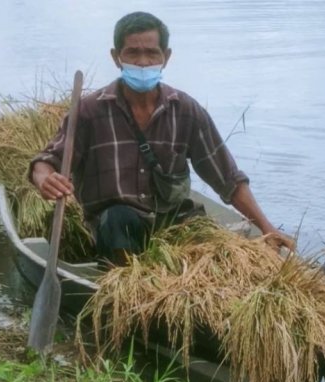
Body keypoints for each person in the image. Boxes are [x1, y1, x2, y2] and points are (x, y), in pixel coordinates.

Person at [29, 11, 294, 266]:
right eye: (132, 52)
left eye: (151, 53)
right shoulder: (89, 111)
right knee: (117, 220)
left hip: (174, 220)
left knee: (214, 252)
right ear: (116, 57)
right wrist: (45, 179)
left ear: (165, 57)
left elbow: (228, 179)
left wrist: (267, 229)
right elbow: (47, 161)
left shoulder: (186, 111)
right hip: (119, 227)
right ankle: (124, 290)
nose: (143, 62)